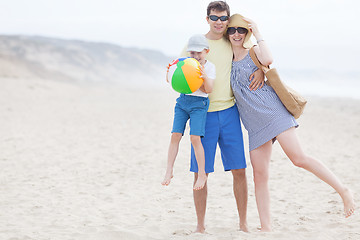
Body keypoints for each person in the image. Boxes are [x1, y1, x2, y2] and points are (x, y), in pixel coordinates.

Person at [225, 13, 356, 232]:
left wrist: (257, 30)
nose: (236, 34)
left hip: (273, 112)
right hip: (254, 124)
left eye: (241, 30)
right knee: (260, 175)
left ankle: (344, 191)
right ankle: (266, 227)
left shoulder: (253, 51)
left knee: (299, 159)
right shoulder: (225, 58)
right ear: (227, 33)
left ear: (247, 33)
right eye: (232, 30)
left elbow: (267, 59)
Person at [181, 1, 265, 233]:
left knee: (239, 170)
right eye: (214, 18)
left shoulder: (232, 40)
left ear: (228, 20)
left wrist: (260, 69)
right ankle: (200, 226)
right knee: (201, 173)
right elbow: (179, 73)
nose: (219, 22)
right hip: (202, 114)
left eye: (223, 18)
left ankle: (243, 224)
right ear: (207, 19)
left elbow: (252, 56)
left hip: (229, 113)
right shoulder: (196, 44)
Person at [162, 34, 216, 190]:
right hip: (183, 101)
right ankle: (169, 170)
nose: (196, 56)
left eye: (199, 52)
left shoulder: (210, 67)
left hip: (199, 104)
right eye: (192, 53)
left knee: (195, 138)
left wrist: (202, 76)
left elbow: (209, 89)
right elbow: (173, 82)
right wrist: (169, 72)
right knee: (175, 135)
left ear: (206, 51)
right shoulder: (185, 63)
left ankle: (202, 174)